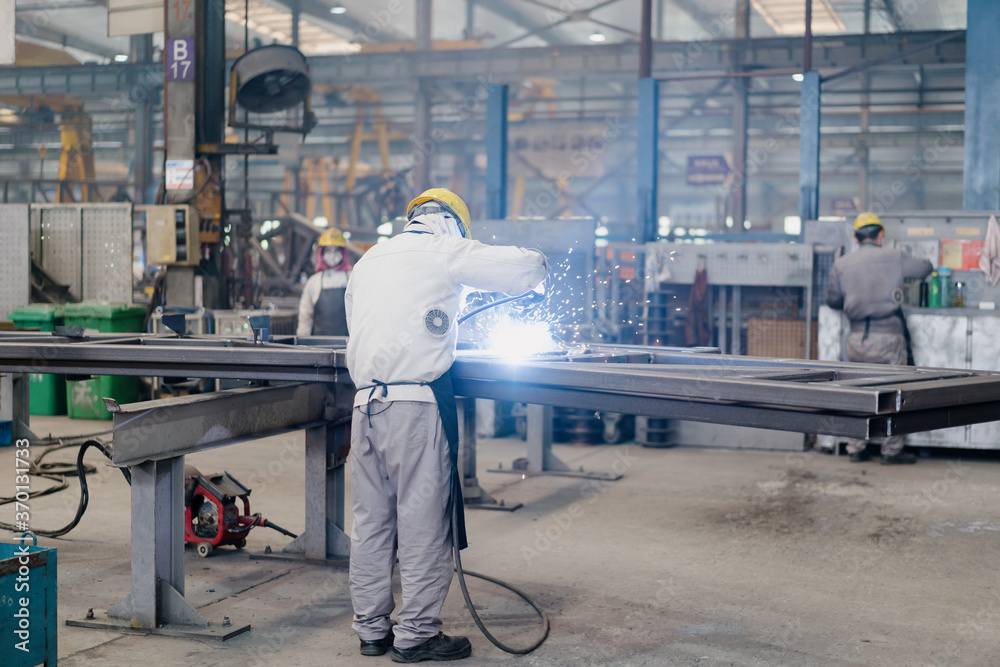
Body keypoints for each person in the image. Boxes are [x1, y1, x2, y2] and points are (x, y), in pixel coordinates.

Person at [344, 188, 547, 662]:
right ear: (454, 222)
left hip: (364, 405)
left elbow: (368, 322)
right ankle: (416, 635)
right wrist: (541, 272)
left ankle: (372, 632)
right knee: (422, 521)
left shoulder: (370, 260)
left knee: (371, 522)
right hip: (414, 407)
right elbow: (526, 267)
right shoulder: (446, 248)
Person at [826, 211, 933, 464]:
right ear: (881, 234)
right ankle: (891, 451)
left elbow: (832, 299)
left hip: (856, 339)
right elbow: (925, 268)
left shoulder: (842, 263)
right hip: (889, 338)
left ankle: (856, 448)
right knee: (894, 394)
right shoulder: (895, 256)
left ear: (856, 237)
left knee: (857, 393)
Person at [297, 227, 352, 336]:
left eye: (336, 250)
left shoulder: (352, 277)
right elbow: (305, 317)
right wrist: (303, 343)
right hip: (320, 346)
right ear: (321, 252)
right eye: (328, 250)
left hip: (347, 344)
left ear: (343, 252)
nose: (332, 254)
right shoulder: (314, 281)